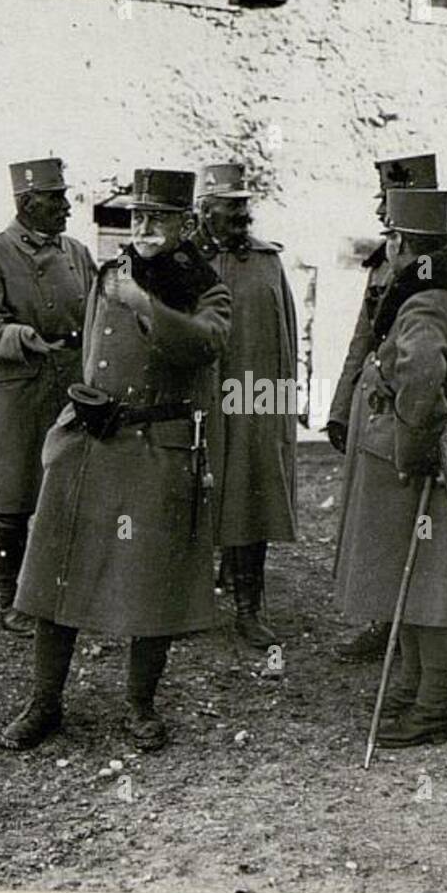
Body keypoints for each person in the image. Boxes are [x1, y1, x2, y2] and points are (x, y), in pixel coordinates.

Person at [1, 168, 232, 752]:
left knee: (149, 583)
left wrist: (146, 305)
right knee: (57, 571)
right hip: (90, 443)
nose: (144, 227)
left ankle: (139, 706)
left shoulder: (206, 287)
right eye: (137, 217)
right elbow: (93, 353)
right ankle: (44, 702)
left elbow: (204, 345)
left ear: (186, 223)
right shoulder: (109, 272)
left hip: (155, 450)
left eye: (157, 217)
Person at [335, 188, 447, 747]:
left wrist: (415, 444)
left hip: (431, 451)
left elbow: (421, 378)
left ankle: (432, 708)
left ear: (404, 242)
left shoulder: (424, 301)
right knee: (434, 578)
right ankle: (410, 688)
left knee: (429, 584)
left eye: (393, 238)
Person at [0, 157, 95, 634]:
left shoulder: (78, 252)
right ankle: (10, 598)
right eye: (56, 198)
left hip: (69, 384)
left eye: (65, 196)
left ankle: (64, 592)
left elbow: (98, 311)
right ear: (26, 203)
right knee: (16, 501)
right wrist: (21, 337)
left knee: (69, 492)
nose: (66, 207)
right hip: (21, 389)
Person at [193, 163, 299, 651]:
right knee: (189, 493)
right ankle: (186, 599)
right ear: (204, 209)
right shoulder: (183, 259)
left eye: (244, 204)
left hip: (254, 398)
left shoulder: (267, 261)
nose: (241, 213)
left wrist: (282, 404)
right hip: (198, 401)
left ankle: (248, 607)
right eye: (230, 205)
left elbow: (286, 337)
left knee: (252, 495)